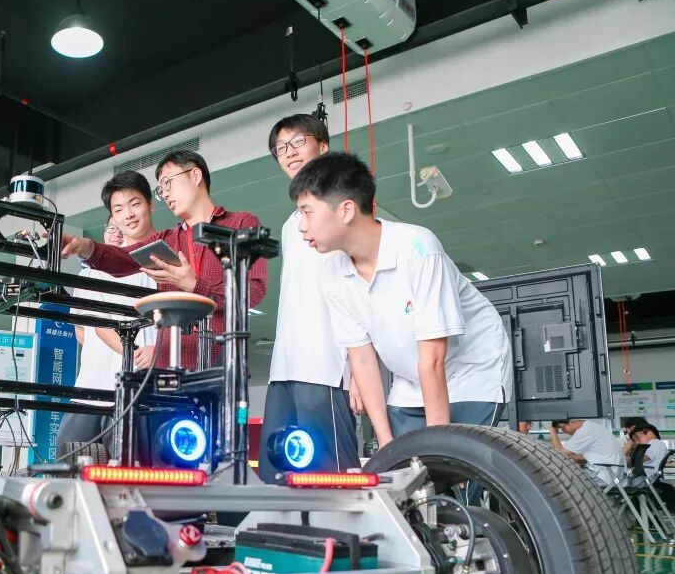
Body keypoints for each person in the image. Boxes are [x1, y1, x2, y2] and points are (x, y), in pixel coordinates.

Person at [290, 152, 511, 449]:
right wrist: (385, 442)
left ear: (346, 210)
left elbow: (433, 359)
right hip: (410, 381)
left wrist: (439, 450)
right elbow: (362, 358)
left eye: (307, 212)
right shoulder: (332, 272)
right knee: (401, 463)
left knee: (454, 463)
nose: (301, 226)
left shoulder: (419, 249)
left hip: (471, 371)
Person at [60, 150, 268, 370]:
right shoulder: (167, 240)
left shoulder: (241, 224)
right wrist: (85, 246)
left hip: (221, 365)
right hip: (167, 367)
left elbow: (253, 291)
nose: (165, 194)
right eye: (161, 190)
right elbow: (123, 258)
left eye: (168, 183)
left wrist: (194, 285)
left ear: (195, 176)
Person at [258, 114, 357, 478]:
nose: (289, 152)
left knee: (331, 477)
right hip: (285, 365)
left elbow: (356, 290)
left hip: (326, 365)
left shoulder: (344, 208)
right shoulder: (291, 224)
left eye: (298, 141)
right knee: (277, 474)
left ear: (323, 146)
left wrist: (357, 370)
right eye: (280, 147)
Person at [56, 171, 157, 449]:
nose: (128, 216)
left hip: (143, 385)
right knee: (70, 457)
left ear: (150, 204)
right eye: (118, 210)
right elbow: (90, 327)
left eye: (134, 204)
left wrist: (153, 351)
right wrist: (131, 351)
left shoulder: (164, 260)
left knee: (130, 463)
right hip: (94, 385)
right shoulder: (97, 270)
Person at [550, 419, 625, 485]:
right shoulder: (591, 426)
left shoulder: (584, 432)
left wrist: (552, 431)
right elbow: (582, 456)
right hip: (614, 473)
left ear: (571, 421)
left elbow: (559, 453)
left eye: (562, 427)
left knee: (563, 480)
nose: (564, 431)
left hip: (605, 477)